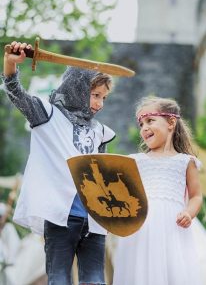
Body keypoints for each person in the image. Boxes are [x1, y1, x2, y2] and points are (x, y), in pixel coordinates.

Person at [2, 41, 116, 285]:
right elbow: (15, 92)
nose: (100, 104)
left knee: (95, 281)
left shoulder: (100, 132)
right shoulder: (47, 115)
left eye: (104, 98)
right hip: (60, 217)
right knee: (59, 279)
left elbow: (102, 176)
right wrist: (11, 63)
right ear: (77, 87)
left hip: (94, 220)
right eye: (95, 95)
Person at [112, 96, 203, 285]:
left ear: (171, 122)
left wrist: (189, 212)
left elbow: (195, 196)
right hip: (140, 227)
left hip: (173, 227)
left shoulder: (185, 161)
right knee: (140, 272)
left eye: (150, 121)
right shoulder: (135, 161)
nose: (144, 128)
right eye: (141, 124)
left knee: (173, 271)